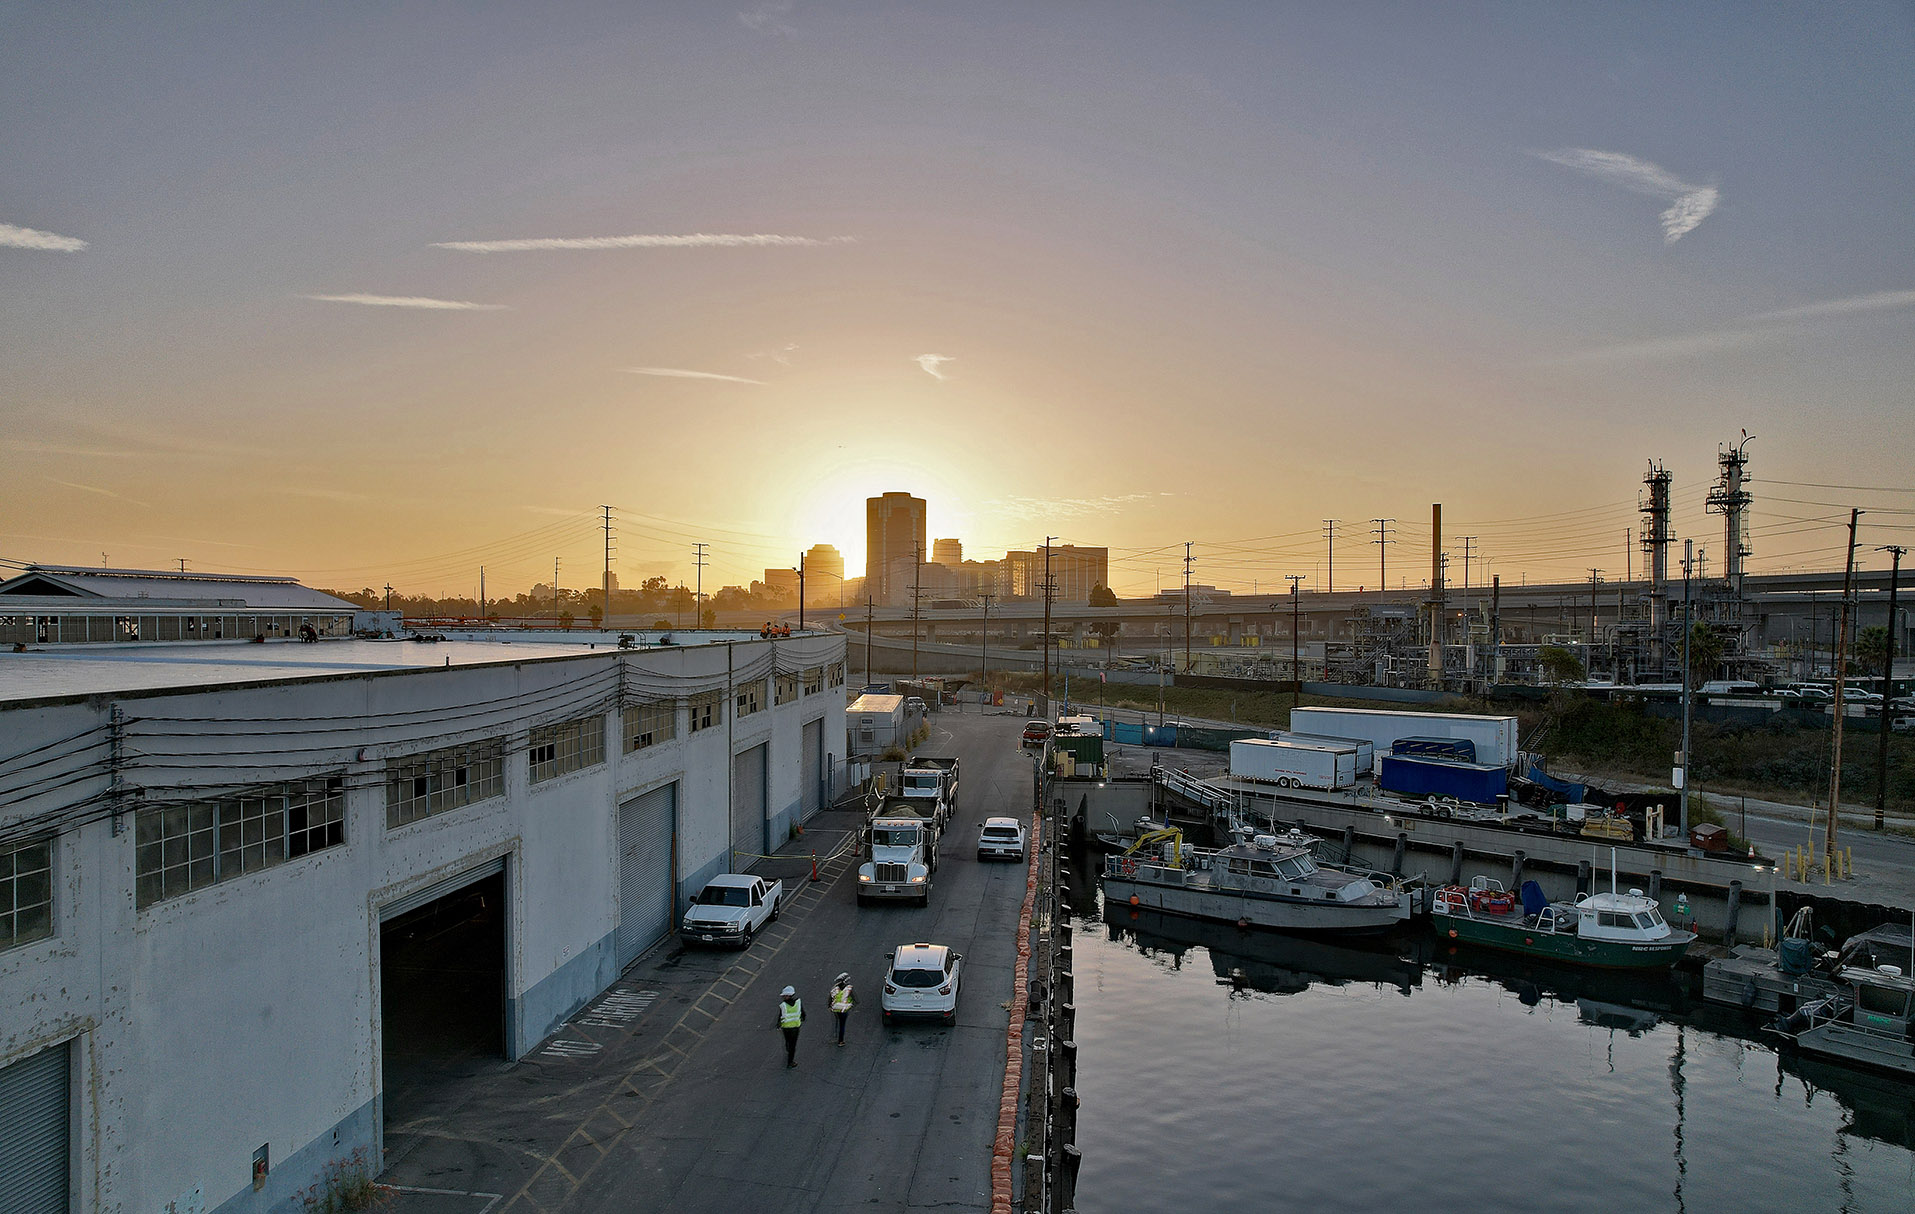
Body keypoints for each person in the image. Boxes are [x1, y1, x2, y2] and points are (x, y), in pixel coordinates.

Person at [776, 985, 805, 1067]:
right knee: (793, 1045)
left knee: (788, 1041)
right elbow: (802, 1012)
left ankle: (788, 1049)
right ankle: (790, 1062)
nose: (783, 997)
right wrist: (803, 1017)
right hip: (795, 1027)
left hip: (786, 1027)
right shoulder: (798, 1002)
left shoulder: (783, 1005)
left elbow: (780, 1015)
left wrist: (778, 1024)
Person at [829, 973, 855, 1046]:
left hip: (836, 1009)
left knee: (838, 1020)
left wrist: (830, 1006)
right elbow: (855, 999)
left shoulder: (835, 989)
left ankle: (835, 1034)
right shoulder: (848, 989)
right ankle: (840, 1041)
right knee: (842, 1025)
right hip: (844, 1009)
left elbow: (830, 997)